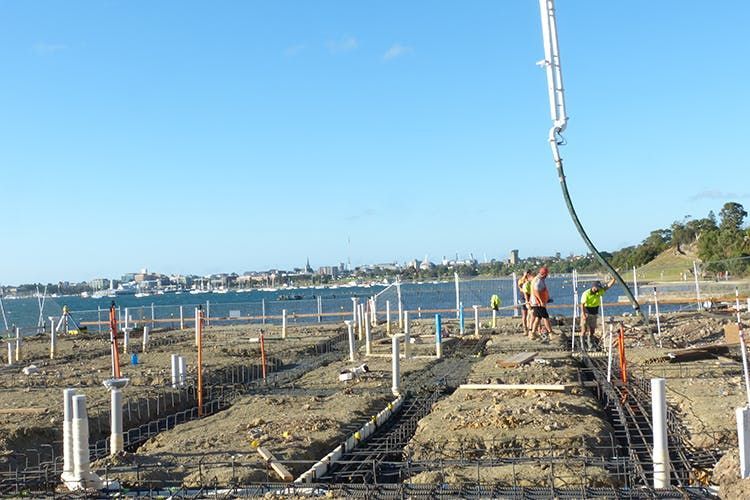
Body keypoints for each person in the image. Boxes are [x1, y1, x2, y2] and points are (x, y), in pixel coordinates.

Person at [580, 277, 616, 346]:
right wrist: (584, 314)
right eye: (597, 287)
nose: (598, 289)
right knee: (584, 330)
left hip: (594, 313)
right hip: (586, 312)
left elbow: (608, 286)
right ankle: (582, 346)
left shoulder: (599, 291)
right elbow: (582, 304)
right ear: (594, 287)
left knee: (592, 330)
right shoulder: (586, 293)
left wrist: (613, 279)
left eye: (599, 288)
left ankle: (590, 344)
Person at [529, 266, 553, 338]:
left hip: (536, 302)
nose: (547, 276)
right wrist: (541, 301)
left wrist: (547, 298)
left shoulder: (538, 279)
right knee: (546, 317)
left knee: (538, 318)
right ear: (544, 274)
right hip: (538, 303)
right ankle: (550, 333)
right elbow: (536, 291)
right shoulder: (538, 280)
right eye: (546, 274)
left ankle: (532, 333)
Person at [517, 270, 534, 335]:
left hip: (530, 296)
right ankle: (525, 330)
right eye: (527, 273)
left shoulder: (531, 280)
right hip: (523, 297)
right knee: (524, 314)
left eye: (529, 273)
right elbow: (520, 285)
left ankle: (530, 328)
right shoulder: (521, 280)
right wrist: (524, 277)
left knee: (531, 313)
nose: (528, 274)